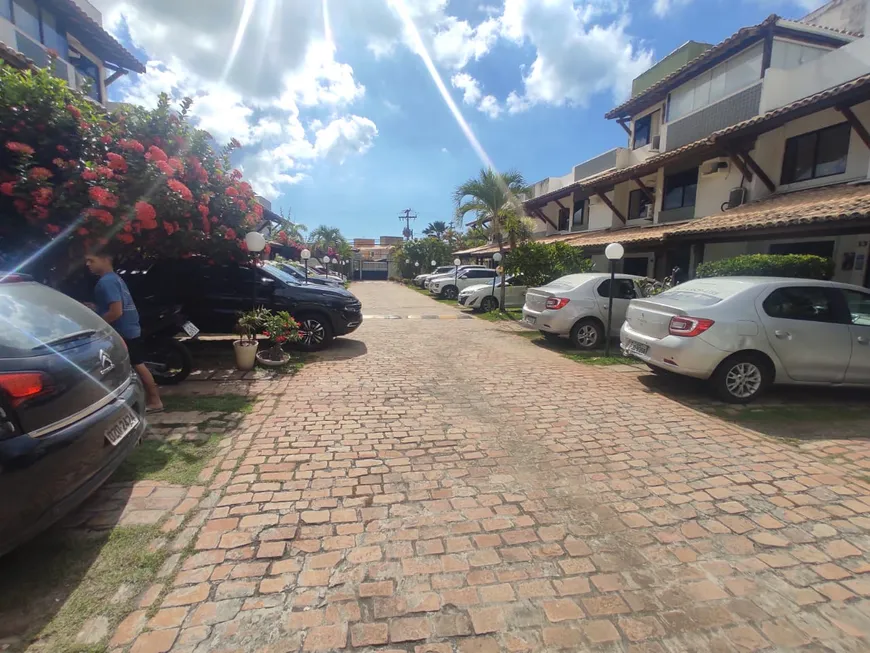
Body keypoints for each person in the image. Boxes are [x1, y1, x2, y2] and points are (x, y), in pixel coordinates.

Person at [85, 250, 163, 412]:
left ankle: (155, 400)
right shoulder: (114, 279)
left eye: (91, 260)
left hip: (122, 330)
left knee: (137, 365)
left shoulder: (106, 282)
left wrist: (98, 324)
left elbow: (116, 311)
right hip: (130, 327)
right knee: (135, 364)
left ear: (106, 259)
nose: (87, 264)